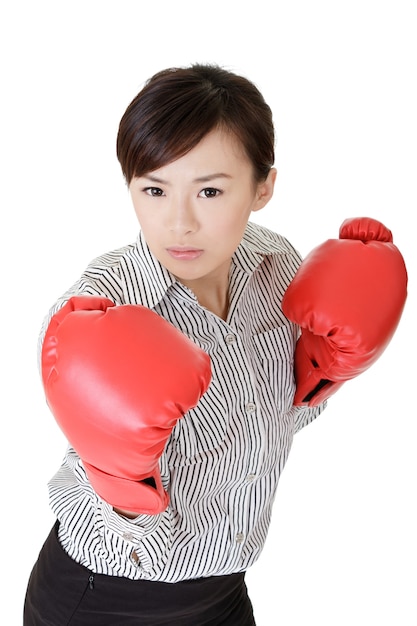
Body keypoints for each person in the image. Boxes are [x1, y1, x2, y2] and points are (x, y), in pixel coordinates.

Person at [23, 64, 407, 625]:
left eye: (210, 190)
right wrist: (123, 478)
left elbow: (270, 420)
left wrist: (324, 371)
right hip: (105, 598)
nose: (179, 222)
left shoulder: (276, 267)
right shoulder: (102, 306)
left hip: (225, 587)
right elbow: (67, 374)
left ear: (263, 187)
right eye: (154, 189)